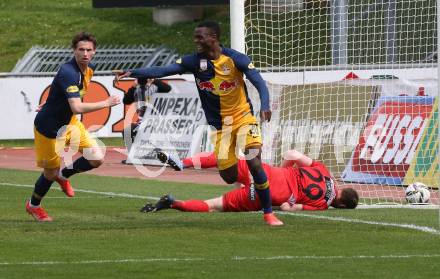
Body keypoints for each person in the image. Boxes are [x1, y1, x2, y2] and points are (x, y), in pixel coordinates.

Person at [115, 21, 282, 226]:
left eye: (200, 37)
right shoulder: (193, 62)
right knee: (229, 177)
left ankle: (268, 213)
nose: (196, 41)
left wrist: (265, 105)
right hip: (221, 127)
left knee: (254, 163)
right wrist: (132, 72)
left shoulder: (235, 58)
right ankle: (195, 163)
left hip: (244, 118)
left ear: (213, 38)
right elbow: (162, 70)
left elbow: (258, 82)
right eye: (195, 37)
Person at [26, 32, 121, 222]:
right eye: (81, 50)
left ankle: (64, 175)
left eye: (89, 50)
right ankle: (33, 206)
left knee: (96, 158)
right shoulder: (68, 72)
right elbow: (77, 106)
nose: (85, 53)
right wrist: (106, 103)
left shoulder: (88, 69)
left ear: (94, 52)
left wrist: (51, 101)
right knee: (49, 173)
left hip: (70, 124)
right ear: (74, 51)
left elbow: (61, 92)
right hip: (49, 129)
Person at [142, 149, 359, 213]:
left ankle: (183, 163)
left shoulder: (324, 172)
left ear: (342, 188)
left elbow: (292, 154)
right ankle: (173, 202)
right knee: (213, 206)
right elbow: (286, 207)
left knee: (222, 159)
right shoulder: (322, 204)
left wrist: (281, 172)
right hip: (271, 194)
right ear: (340, 204)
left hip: (267, 173)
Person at [121, 78, 171, 162]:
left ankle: (163, 156)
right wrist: (133, 86)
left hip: (157, 119)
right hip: (142, 120)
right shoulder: (137, 89)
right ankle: (134, 156)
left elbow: (167, 88)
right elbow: (126, 101)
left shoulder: (156, 87)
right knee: (128, 131)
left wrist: (153, 80)